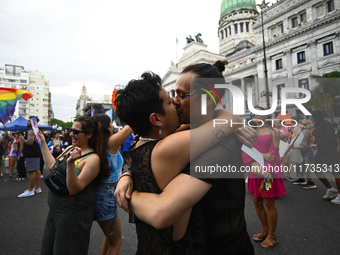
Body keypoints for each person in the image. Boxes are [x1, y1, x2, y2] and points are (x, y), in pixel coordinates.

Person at [115, 62, 257, 254]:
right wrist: (128, 176)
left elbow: (161, 212)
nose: (174, 101)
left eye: (182, 95)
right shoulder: (184, 135)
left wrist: (132, 196)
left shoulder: (218, 145)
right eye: (173, 95)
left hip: (224, 247)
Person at [38, 116, 110, 254]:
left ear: (89, 134)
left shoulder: (93, 159)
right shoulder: (71, 148)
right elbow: (53, 166)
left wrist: (71, 164)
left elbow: (74, 189)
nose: (71, 134)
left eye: (76, 132)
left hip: (73, 217)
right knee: (48, 249)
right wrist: (42, 144)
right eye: (71, 130)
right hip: (54, 212)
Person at [243, 107, 286, 248]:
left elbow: (273, 156)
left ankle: (272, 234)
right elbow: (246, 153)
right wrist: (261, 156)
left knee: (269, 203)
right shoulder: (250, 132)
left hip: (267, 173)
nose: (255, 115)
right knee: (257, 201)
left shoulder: (274, 132)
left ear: (266, 115)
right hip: (254, 172)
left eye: (258, 113)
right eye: (254, 113)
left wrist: (265, 169)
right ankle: (265, 229)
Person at [93, 114, 134, 255]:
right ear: (105, 127)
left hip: (99, 193)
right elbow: (132, 126)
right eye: (110, 123)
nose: (113, 126)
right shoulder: (110, 143)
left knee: (109, 237)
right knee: (116, 242)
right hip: (107, 195)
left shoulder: (96, 143)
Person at [309, 110, 340, 202]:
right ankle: (330, 189)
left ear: (315, 116)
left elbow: (329, 137)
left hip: (330, 152)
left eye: (311, 116)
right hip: (321, 152)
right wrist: (313, 144)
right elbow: (319, 138)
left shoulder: (326, 124)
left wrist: (318, 144)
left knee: (336, 173)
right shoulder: (317, 125)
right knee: (315, 168)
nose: (310, 117)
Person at [17, 117, 42, 197]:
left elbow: (30, 142)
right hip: (36, 153)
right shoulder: (37, 130)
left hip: (31, 154)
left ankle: (30, 190)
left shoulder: (31, 131)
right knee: (37, 170)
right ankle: (37, 188)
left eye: (28, 121)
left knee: (32, 171)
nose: (27, 122)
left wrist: (22, 139)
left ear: (32, 122)